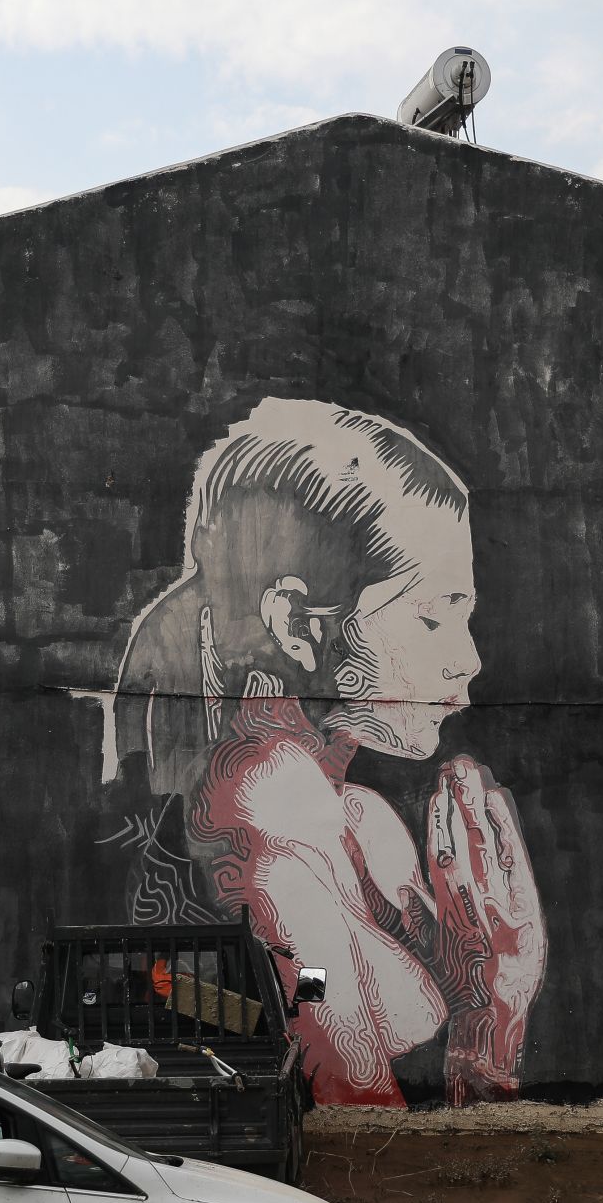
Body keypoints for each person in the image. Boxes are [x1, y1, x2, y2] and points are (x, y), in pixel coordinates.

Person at [110, 398, 544, 1106]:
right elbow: (361, 1120)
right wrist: (493, 1022)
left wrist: (485, 981)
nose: (467, 660)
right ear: (296, 624)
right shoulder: (275, 834)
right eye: (432, 616)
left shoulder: (354, 820)